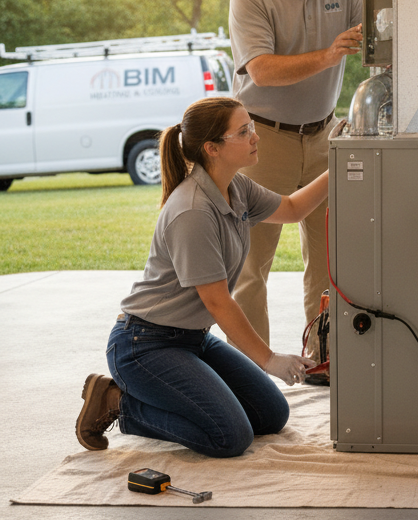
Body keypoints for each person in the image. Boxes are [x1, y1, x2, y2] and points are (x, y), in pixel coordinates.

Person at [75, 96, 320, 458]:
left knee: (271, 414)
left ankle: (173, 397)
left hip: (193, 339)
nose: (256, 137)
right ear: (212, 148)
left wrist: (343, 159)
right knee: (229, 436)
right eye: (243, 131)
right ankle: (117, 402)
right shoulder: (192, 210)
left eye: (251, 127)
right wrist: (269, 359)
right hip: (145, 345)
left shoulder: (236, 188)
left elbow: (292, 208)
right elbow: (218, 301)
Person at [228, 0, 362, 351]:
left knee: (328, 261)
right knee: (250, 263)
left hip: (325, 135)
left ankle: (323, 356)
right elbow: (262, 70)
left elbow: (383, 38)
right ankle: (253, 369)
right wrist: (329, 56)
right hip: (261, 142)